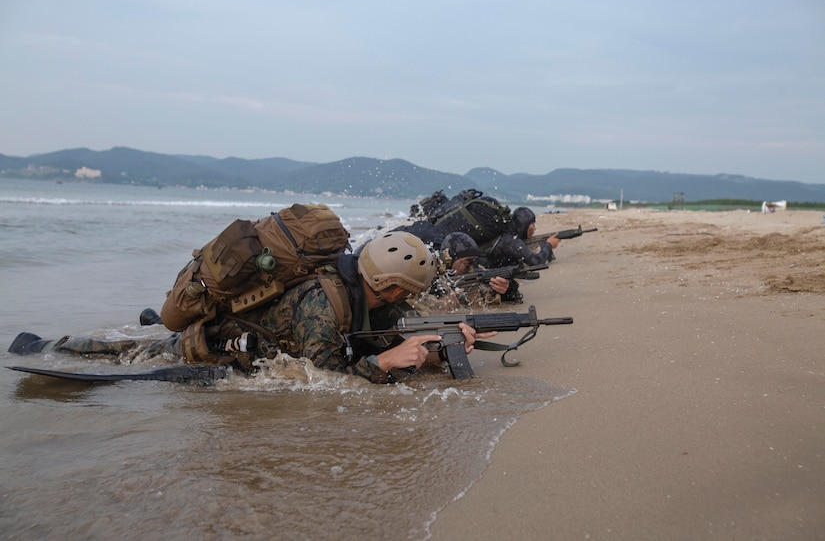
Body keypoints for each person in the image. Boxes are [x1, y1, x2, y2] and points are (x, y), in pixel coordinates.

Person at [9, 232, 492, 384]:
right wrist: (383, 363)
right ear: (390, 288)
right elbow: (323, 374)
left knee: (150, 341)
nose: (406, 302)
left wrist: (429, 351)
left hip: (249, 340)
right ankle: (44, 344)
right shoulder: (325, 301)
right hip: (215, 345)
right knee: (130, 355)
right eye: (407, 293)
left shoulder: (367, 299)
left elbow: (382, 343)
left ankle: (151, 326)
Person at [423, 232, 522, 311]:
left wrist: (507, 290)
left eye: (474, 263)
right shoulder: (430, 279)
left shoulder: (477, 276)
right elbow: (415, 306)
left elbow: (512, 298)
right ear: (449, 262)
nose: (472, 269)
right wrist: (439, 304)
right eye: (467, 264)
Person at [480, 206, 560, 269]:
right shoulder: (511, 240)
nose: (535, 228)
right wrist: (549, 245)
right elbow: (536, 262)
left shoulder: (507, 231)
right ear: (524, 227)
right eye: (532, 225)